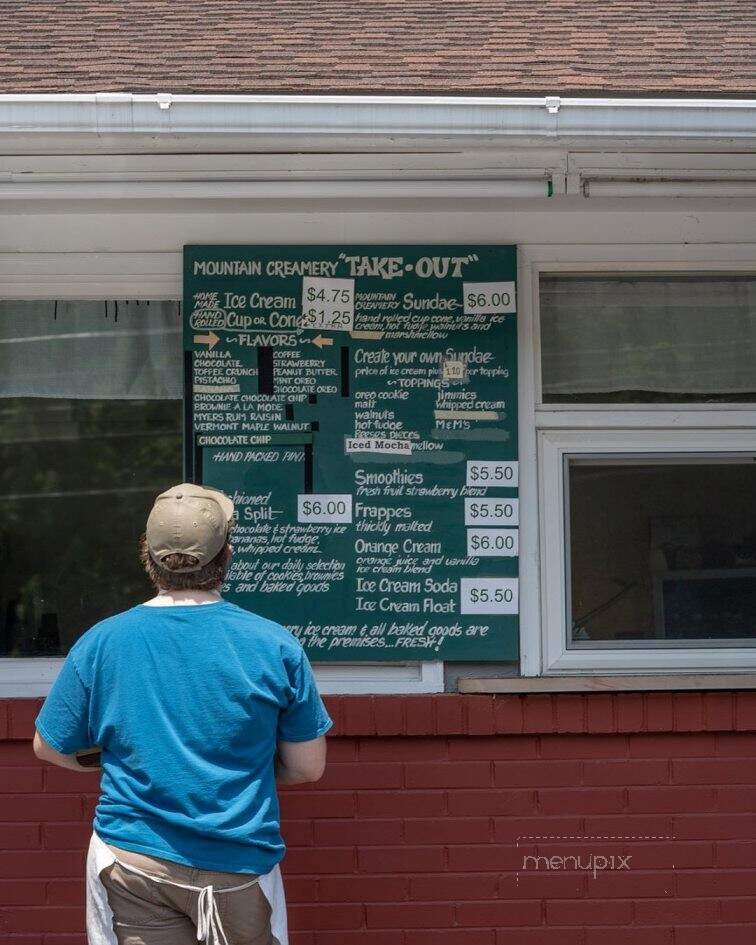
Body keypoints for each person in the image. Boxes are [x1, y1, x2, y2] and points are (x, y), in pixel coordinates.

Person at [33, 483, 332, 945]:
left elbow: (49, 747)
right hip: (237, 866)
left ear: (147, 555)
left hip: (132, 859)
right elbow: (307, 768)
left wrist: (113, 764)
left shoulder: (103, 641)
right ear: (226, 555)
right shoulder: (273, 645)